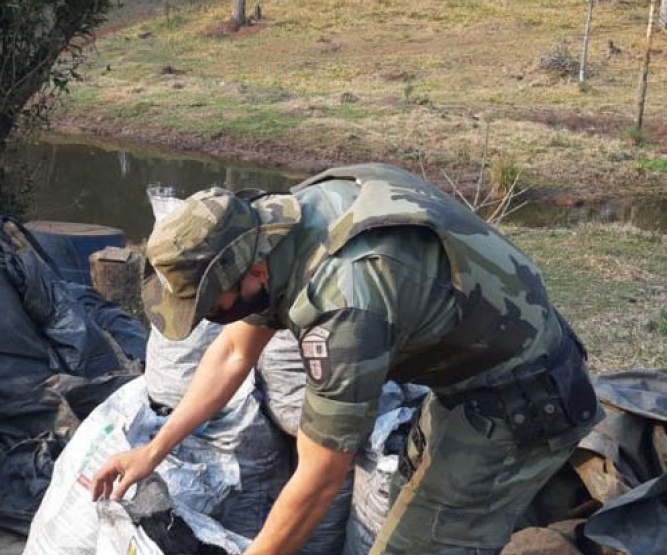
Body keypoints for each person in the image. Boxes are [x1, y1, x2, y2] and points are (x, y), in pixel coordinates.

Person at [91, 163, 601, 555]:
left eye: (211, 303)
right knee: (407, 508)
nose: (209, 317)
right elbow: (232, 353)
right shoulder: (274, 228)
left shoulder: (345, 304)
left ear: (252, 273)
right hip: (469, 372)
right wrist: (154, 449)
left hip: (519, 396)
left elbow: (320, 479)